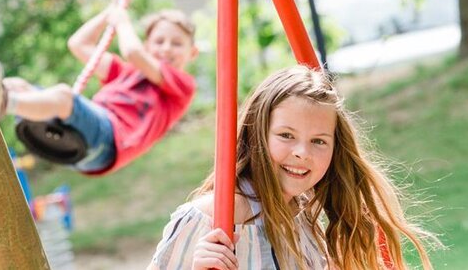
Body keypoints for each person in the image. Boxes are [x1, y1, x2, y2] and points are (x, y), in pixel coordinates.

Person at [149, 66, 436, 270]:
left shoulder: (303, 217)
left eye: (319, 141)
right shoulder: (213, 218)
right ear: (257, 134)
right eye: (286, 135)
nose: (302, 153)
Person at [0, 0, 198, 175]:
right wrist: (110, 11)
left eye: (177, 43)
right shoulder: (124, 73)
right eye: (159, 41)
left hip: (109, 142)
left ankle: (4, 103)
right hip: (82, 138)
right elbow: (78, 44)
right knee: (16, 85)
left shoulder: (182, 86)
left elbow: (133, 52)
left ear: (192, 53)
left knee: (64, 96)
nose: (167, 49)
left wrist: (122, 21)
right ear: (148, 44)